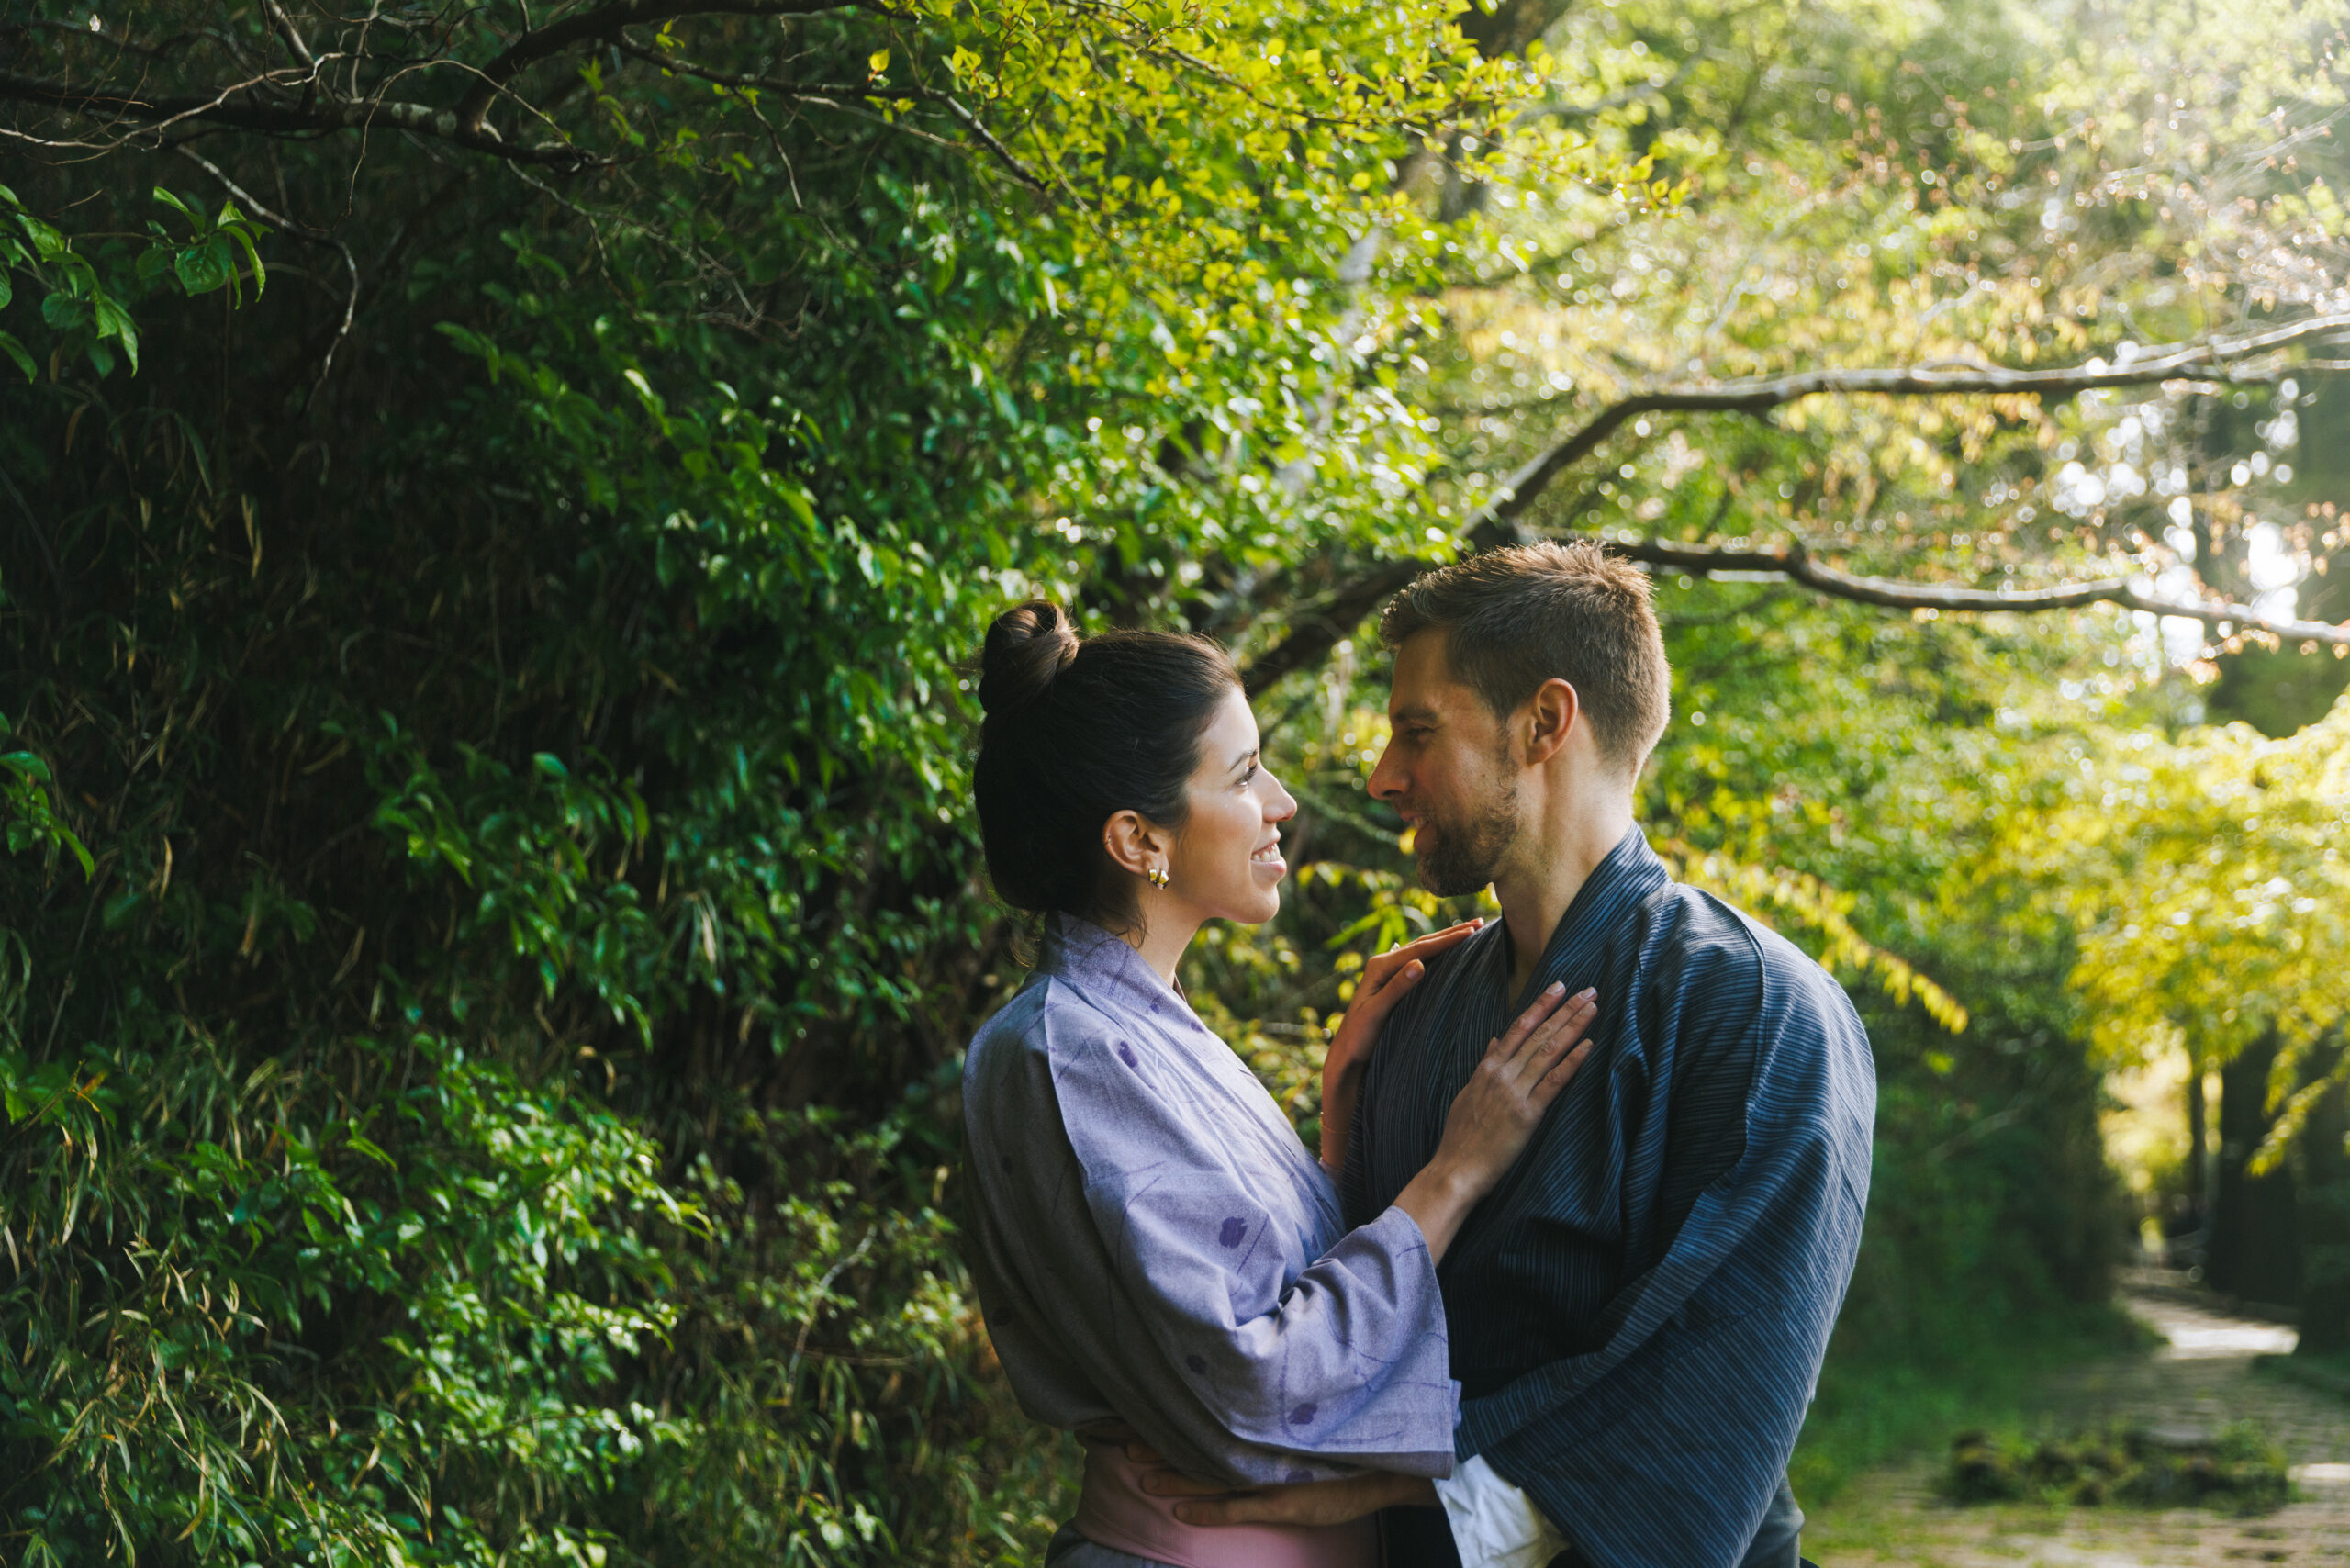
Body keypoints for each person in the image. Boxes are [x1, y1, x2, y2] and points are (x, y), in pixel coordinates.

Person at [1149, 543, 1877, 1568]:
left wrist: (1415, 1477)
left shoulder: (1757, 1009)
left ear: (1545, 722)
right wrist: (1343, 1112)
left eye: (1417, 733)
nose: (1382, 778)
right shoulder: (1415, 1010)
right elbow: (1348, 1313)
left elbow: (1719, 1371)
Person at [958, 599, 1602, 1568]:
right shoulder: (1064, 1050)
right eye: (1244, 774)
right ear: (1138, 840)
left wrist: (1338, 1112)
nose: (1283, 802)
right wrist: (1456, 1172)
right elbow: (1252, 1384)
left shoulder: (1135, 1026)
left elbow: (1263, 1297)